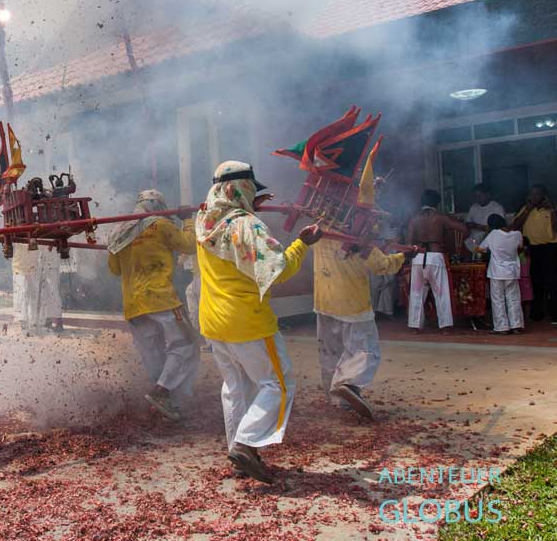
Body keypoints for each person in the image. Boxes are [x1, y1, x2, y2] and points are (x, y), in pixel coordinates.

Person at [196, 161, 322, 484]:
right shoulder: (247, 226)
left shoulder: (204, 220)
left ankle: (239, 456)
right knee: (277, 385)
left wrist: (251, 209)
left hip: (213, 322)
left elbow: (236, 245)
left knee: (235, 388)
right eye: (252, 189)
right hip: (247, 322)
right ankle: (246, 443)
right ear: (243, 190)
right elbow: (276, 268)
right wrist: (302, 244)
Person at [107, 189, 199, 422]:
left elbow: (114, 269)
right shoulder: (161, 225)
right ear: (158, 206)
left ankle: (165, 402)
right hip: (161, 299)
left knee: (154, 354)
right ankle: (163, 392)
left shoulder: (119, 230)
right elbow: (189, 246)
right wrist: (188, 220)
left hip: (133, 304)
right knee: (186, 345)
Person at [313, 234, 414, 419]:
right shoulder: (359, 234)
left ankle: (338, 400)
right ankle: (349, 384)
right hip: (353, 305)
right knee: (365, 351)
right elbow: (382, 265)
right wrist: (404, 256)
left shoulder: (320, 232)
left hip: (324, 302)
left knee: (330, 352)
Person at [405, 190, 468, 333]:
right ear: (437, 203)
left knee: (416, 293)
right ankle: (445, 327)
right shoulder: (440, 217)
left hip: (418, 257)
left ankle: (415, 326)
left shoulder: (414, 219)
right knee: (441, 292)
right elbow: (464, 229)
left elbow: (408, 242)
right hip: (435, 255)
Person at [513, 185, 557, 323]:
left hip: (550, 248)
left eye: (538, 194)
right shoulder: (525, 209)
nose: (534, 197)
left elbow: (555, 228)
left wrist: (552, 209)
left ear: (544, 195)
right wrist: (528, 209)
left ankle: (555, 315)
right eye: (532, 194)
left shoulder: (551, 209)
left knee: (553, 283)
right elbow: (515, 225)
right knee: (535, 282)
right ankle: (537, 314)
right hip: (532, 249)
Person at [476, 214, 524, 334]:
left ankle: (502, 327)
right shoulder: (517, 234)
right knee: (513, 299)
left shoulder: (493, 234)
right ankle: (516, 325)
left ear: (491, 226)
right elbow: (520, 248)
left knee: (498, 300)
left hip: (497, 272)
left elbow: (481, 249)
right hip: (512, 271)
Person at [11, 244, 63, 335]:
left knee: (50, 290)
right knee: (27, 294)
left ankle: (54, 321)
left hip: (43, 261)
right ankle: (29, 323)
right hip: (25, 266)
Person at [464, 184, 505, 253]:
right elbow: (467, 222)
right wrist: (469, 225)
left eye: (479, 196)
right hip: (474, 242)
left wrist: (478, 226)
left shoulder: (497, 208)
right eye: (475, 197)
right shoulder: (473, 207)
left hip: (491, 242)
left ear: (488, 195)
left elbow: (500, 230)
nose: (477, 199)